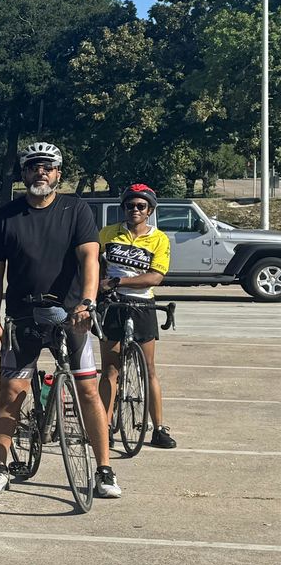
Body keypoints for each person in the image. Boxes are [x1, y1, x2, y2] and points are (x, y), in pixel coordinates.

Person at [0, 142, 121, 499]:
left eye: (48, 167)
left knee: (88, 389)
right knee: (12, 391)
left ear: (59, 173)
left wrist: (87, 303)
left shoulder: (76, 210)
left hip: (71, 315)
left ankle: (104, 469)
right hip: (23, 315)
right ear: (23, 173)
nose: (40, 172)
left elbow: (90, 258)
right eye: (32, 167)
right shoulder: (6, 216)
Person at [97, 183, 176, 449]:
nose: (135, 210)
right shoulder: (108, 234)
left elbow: (156, 276)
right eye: (130, 205)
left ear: (150, 210)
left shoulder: (159, 238)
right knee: (110, 368)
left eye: (141, 206)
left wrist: (118, 282)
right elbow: (95, 265)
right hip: (113, 305)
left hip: (143, 305)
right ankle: (104, 426)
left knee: (149, 369)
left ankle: (158, 427)